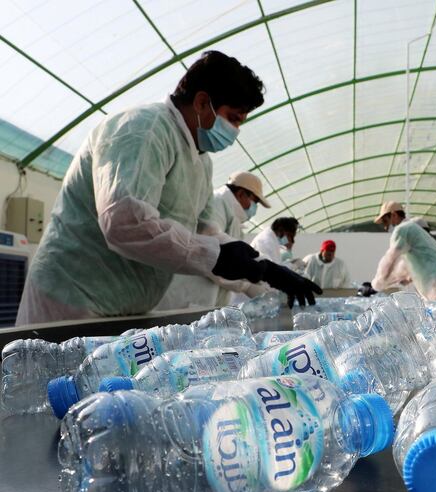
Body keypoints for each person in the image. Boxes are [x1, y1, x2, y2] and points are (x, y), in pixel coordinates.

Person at [16, 51, 320, 325]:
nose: (235, 131)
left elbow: (204, 232)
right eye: (232, 119)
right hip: (74, 299)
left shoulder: (200, 162)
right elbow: (124, 221)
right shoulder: (144, 129)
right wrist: (215, 256)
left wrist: (263, 269)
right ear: (202, 102)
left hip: (125, 306)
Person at [155, 171, 270, 309]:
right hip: (186, 297)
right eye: (255, 201)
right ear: (241, 194)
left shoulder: (232, 217)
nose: (255, 207)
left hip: (200, 301)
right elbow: (211, 254)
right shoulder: (217, 204)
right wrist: (246, 285)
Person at [360, 202, 436, 302]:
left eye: (385, 221)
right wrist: (382, 284)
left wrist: (375, 285)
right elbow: (404, 270)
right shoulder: (415, 232)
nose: (385, 226)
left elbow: (389, 260)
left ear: (393, 215)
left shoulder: (402, 229)